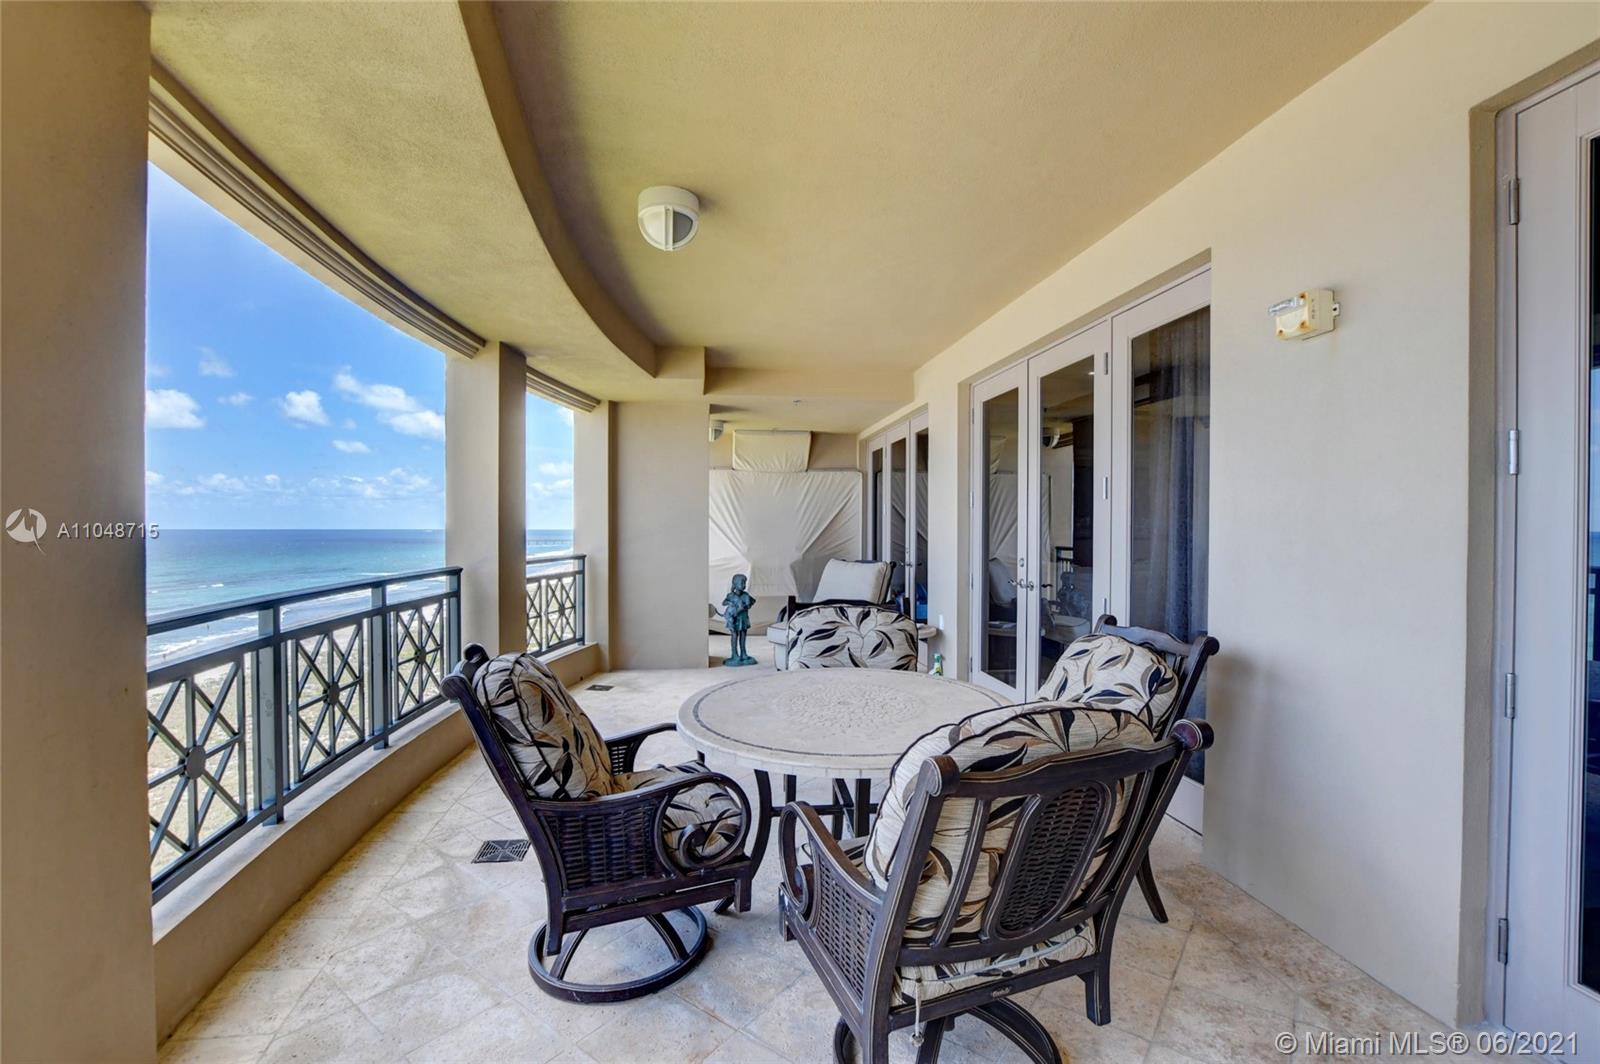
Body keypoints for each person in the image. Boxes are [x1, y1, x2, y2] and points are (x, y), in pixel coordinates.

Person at [721, 573, 757, 666]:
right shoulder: (731, 595)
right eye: (742, 583)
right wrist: (730, 603)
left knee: (743, 635)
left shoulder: (746, 595)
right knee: (734, 635)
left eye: (745, 583)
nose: (744, 585)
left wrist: (743, 607)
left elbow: (749, 604)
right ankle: (734, 654)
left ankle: (743, 653)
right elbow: (724, 602)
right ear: (735, 584)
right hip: (734, 620)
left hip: (743, 619)